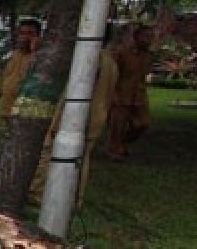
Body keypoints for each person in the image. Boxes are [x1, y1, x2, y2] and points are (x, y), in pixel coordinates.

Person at [30, 44, 118, 208]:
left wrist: (57, 122)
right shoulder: (111, 62)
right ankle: (75, 198)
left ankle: (38, 193)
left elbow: (72, 91)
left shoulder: (87, 59)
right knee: (81, 158)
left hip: (76, 117)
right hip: (97, 116)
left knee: (50, 152)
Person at [107, 23, 153, 160]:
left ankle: (122, 143)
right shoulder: (122, 52)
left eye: (151, 37)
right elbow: (113, 73)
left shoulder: (148, 55)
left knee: (143, 124)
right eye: (146, 36)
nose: (149, 40)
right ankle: (115, 149)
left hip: (139, 95)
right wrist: (113, 93)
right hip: (121, 94)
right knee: (118, 126)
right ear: (136, 36)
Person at [0, 19, 41, 118]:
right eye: (22, 33)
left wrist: (34, 50)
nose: (25, 37)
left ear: (37, 37)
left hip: (24, 112)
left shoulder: (40, 57)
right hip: (6, 109)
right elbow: (5, 78)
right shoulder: (15, 54)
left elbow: (35, 78)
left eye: (30, 33)